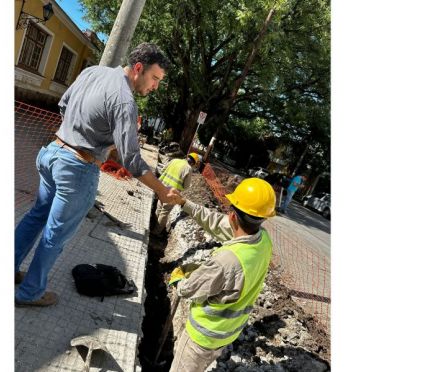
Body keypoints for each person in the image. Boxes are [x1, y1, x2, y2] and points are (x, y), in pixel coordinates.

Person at [14, 43, 179, 307]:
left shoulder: (93, 72)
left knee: (36, 217)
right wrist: (161, 190)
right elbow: (132, 160)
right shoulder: (125, 101)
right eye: (155, 78)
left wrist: (85, 133)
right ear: (138, 69)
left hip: (52, 153)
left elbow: (64, 104)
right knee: (54, 236)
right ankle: (29, 293)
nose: (155, 86)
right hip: (77, 168)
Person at [166, 178, 276, 372]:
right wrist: (184, 203)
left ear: (233, 216)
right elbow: (216, 223)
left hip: (201, 337)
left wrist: (178, 279)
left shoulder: (226, 261)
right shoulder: (263, 241)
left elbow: (189, 289)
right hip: (226, 334)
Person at [151, 152, 201, 237]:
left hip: (161, 187)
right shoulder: (188, 168)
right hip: (172, 193)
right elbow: (186, 186)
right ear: (193, 163)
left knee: (159, 207)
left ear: (187, 157)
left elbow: (163, 170)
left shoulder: (174, 160)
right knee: (164, 212)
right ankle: (156, 232)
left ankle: (152, 224)